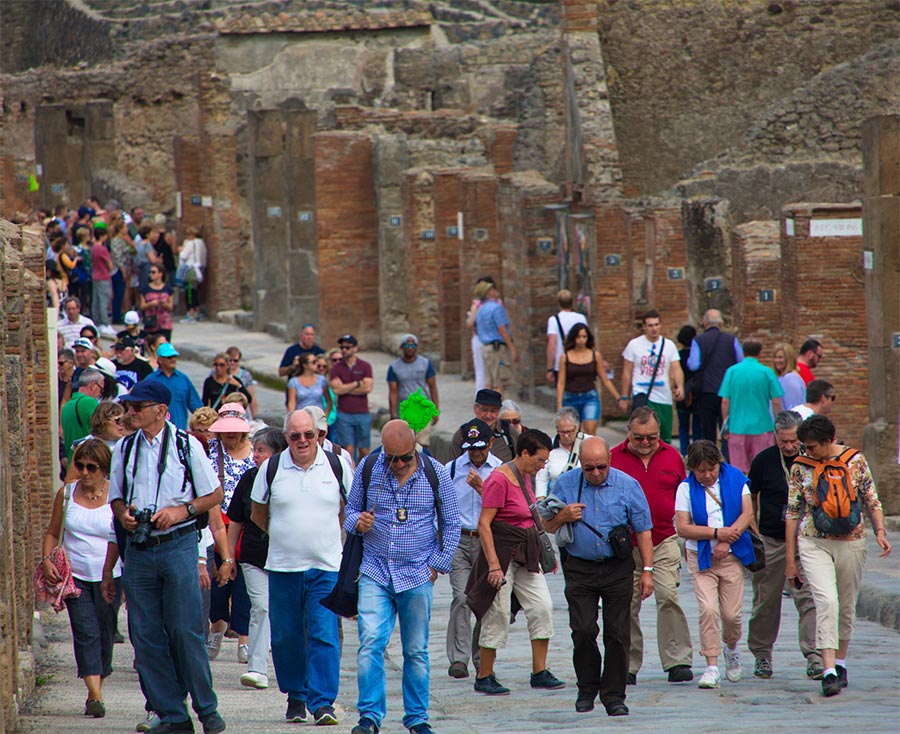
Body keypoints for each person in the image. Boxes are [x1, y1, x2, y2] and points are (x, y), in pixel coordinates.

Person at [105, 381, 226, 734]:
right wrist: (124, 513)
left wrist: (181, 511)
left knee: (186, 632)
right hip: (140, 550)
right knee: (145, 636)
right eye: (129, 406)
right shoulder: (125, 448)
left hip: (178, 544)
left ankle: (207, 711)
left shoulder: (187, 445)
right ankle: (171, 713)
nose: (130, 412)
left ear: (159, 409)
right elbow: (115, 497)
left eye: (137, 406)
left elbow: (214, 493)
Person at [343, 420, 461, 734]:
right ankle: (369, 717)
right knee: (370, 643)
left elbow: (451, 523)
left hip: (417, 573)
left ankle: (417, 719)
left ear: (415, 449)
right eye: (391, 458)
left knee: (416, 651)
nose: (397, 464)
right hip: (375, 570)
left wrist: (436, 565)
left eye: (404, 458)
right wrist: (358, 522)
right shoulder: (370, 467)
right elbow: (350, 511)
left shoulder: (434, 473)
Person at [250, 410, 351, 725]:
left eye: (309, 434)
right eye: (295, 436)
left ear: (318, 433)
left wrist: (326, 535)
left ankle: (322, 703)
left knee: (323, 634)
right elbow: (257, 512)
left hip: (326, 566)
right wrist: (284, 536)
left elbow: (349, 507)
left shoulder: (336, 466)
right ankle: (296, 696)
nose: (303, 441)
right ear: (286, 438)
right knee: (286, 636)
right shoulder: (272, 468)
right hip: (283, 567)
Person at [543, 437, 654, 715]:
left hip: (617, 567)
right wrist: (563, 516)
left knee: (617, 633)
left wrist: (648, 571)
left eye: (600, 467)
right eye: (589, 468)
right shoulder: (566, 483)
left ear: (610, 461)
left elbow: (643, 530)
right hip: (580, 567)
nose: (595, 473)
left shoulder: (627, 485)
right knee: (582, 630)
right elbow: (547, 524)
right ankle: (587, 687)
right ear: (581, 463)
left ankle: (614, 694)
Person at [785, 415, 891, 697]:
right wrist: (790, 559)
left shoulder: (855, 460)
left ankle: (841, 662)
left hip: (852, 540)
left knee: (846, 605)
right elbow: (793, 511)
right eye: (803, 446)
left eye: (812, 447)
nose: (807, 452)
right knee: (826, 601)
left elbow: (872, 498)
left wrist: (879, 530)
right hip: (813, 540)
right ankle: (828, 669)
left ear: (828, 441)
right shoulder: (800, 466)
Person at [467, 429, 564, 698]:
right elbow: (484, 525)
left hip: (525, 553)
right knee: (497, 612)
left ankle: (539, 671)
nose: (543, 465)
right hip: (502, 553)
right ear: (524, 453)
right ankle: (484, 675)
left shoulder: (526, 475)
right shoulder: (500, 479)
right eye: (541, 460)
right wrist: (494, 567)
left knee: (542, 605)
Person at [610, 407, 694, 685]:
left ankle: (677, 660)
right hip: (628, 546)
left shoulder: (672, 456)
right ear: (628, 433)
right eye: (639, 438)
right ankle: (628, 664)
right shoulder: (612, 459)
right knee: (627, 603)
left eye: (652, 437)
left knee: (668, 596)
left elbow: (684, 494)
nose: (645, 443)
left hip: (664, 539)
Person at [41, 439, 122, 719]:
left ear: (104, 469)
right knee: (85, 632)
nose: (85, 472)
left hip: (110, 575)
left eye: (92, 467)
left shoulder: (117, 497)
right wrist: (48, 558)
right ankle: (95, 694)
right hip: (75, 577)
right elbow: (52, 532)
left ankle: (97, 681)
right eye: (80, 466)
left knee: (105, 632)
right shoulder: (66, 495)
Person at [747, 411, 824, 680]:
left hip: (806, 540)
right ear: (775, 438)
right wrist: (753, 525)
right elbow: (751, 495)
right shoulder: (763, 461)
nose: (789, 446)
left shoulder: (812, 460)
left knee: (809, 599)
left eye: (793, 440)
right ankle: (762, 655)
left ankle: (814, 655)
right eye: (784, 441)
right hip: (772, 539)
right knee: (765, 601)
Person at [675, 440, 756, 690]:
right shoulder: (685, 489)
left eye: (711, 468)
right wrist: (715, 534)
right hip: (701, 558)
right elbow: (683, 527)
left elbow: (747, 514)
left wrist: (727, 540)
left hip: (732, 557)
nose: (707, 474)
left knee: (731, 614)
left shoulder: (735, 479)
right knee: (708, 610)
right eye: (701, 470)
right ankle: (711, 665)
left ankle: (731, 647)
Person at [226, 427, 288, 691]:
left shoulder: (289, 479)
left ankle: (290, 668)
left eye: (261, 451)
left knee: (287, 613)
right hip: (253, 555)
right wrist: (228, 559)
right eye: (255, 450)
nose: (255, 456)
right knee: (261, 606)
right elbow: (236, 521)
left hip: (288, 555)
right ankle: (257, 667)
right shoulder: (248, 479)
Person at [444, 419, 503, 680]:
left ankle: (482, 657)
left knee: (484, 600)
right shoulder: (452, 469)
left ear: (490, 443)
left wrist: (483, 489)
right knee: (461, 597)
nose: (476, 453)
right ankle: (459, 658)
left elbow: (506, 509)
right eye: (471, 448)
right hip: (459, 538)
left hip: (487, 540)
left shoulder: (501, 471)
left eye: (480, 447)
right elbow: (441, 505)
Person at [206, 404, 255, 664]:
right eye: (226, 431)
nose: (231, 436)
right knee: (218, 582)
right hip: (217, 524)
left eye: (235, 431)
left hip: (246, 526)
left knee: (245, 585)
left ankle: (244, 639)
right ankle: (217, 628)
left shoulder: (254, 454)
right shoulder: (210, 453)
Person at [719, 340, 783, 473]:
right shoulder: (767, 372)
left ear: (743, 353)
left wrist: (726, 422)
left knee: (738, 470)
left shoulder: (732, 371)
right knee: (763, 469)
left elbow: (725, 401)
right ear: (760, 353)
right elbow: (776, 401)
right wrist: (778, 424)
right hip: (762, 427)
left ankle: (742, 493)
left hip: (737, 427)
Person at [620, 309, 684, 443]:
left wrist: (680, 386)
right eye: (650, 325)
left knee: (664, 436)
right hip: (642, 394)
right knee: (642, 435)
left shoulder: (669, 345)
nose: (654, 328)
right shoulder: (634, 345)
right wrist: (624, 397)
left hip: (663, 396)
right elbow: (627, 372)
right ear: (644, 327)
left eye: (656, 324)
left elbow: (676, 368)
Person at [686, 309, 743, 444]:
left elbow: (693, 365)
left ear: (704, 322)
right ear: (721, 323)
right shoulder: (732, 340)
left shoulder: (698, 340)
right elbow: (740, 362)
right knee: (727, 427)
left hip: (706, 391)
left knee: (707, 430)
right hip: (728, 392)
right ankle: (727, 458)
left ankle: (710, 458)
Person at [556, 322, 621, 437]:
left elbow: (605, 379)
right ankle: (577, 454)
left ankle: (589, 454)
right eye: (578, 337)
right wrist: (559, 403)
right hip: (570, 398)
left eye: (584, 337)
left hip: (590, 397)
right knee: (573, 433)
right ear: (573, 338)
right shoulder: (565, 357)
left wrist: (619, 398)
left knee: (590, 431)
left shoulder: (595, 355)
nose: (581, 340)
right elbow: (561, 383)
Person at [387, 333, 439, 446]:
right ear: (401, 347)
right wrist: (393, 413)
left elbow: (432, 387)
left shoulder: (425, 364)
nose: (410, 348)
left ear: (417, 347)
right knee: (405, 444)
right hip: (404, 411)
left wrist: (435, 411)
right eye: (407, 346)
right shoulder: (394, 367)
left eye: (413, 346)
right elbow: (393, 391)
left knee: (422, 444)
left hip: (422, 410)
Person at [329, 334, 374, 463]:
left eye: (348, 347)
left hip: (362, 413)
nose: (344, 350)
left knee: (364, 450)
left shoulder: (365, 366)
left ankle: (361, 471)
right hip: (344, 413)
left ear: (355, 349)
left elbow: (367, 388)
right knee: (348, 450)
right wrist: (357, 383)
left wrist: (345, 388)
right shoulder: (337, 368)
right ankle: (351, 476)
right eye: (342, 347)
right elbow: (336, 390)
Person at [144, 343, 203, 430]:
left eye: (174, 356)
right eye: (169, 357)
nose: (173, 359)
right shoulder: (150, 380)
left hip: (179, 431)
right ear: (160, 359)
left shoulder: (183, 379)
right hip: (156, 432)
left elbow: (196, 407)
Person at [447, 389, 516, 463]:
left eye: (493, 411)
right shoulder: (463, 433)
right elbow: (452, 465)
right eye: (484, 410)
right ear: (475, 409)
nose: (488, 415)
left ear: (499, 411)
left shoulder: (508, 430)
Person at [474, 281, 518, 394]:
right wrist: (512, 348)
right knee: (500, 382)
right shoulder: (496, 308)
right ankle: (498, 409)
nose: (495, 290)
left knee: (488, 381)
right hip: (497, 348)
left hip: (486, 348)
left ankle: (487, 408)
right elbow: (502, 329)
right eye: (492, 289)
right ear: (489, 293)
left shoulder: (480, 310)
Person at [534, 407, 583, 499]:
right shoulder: (548, 448)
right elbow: (541, 479)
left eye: (570, 431)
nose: (566, 436)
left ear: (577, 428)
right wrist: (541, 502)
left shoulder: (589, 442)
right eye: (562, 432)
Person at [545, 289, 587, 385]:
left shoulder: (554, 320)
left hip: (561, 364)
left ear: (558, 303)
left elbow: (552, 345)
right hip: (581, 361)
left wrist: (549, 368)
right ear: (572, 302)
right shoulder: (581, 318)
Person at [61, 368, 103, 463]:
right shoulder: (90, 402)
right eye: (101, 388)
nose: (101, 393)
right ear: (92, 385)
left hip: (72, 463)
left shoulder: (67, 406)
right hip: (89, 463)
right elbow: (103, 428)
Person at [675, 324, 702, 455]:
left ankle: (685, 452)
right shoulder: (697, 356)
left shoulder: (678, 356)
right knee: (697, 426)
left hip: (682, 394)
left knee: (683, 426)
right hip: (696, 394)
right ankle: (696, 452)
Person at [465, 279, 494, 391]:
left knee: (481, 370)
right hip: (490, 339)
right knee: (489, 370)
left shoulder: (477, 305)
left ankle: (481, 394)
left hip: (479, 338)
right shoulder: (494, 304)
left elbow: (470, 323)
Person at [139, 264, 174, 342]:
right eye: (150, 272)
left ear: (160, 274)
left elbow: (171, 307)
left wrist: (165, 304)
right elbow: (142, 306)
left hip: (165, 323)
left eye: (153, 272)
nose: (151, 274)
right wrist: (151, 304)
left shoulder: (168, 289)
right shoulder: (145, 289)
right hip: (151, 322)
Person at [178, 226, 206, 323]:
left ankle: (191, 314)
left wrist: (181, 249)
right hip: (199, 269)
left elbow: (183, 256)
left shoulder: (190, 243)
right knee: (195, 292)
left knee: (189, 292)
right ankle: (198, 312)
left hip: (191, 270)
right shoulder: (201, 243)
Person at [90, 226, 115, 335]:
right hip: (104, 276)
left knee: (96, 300)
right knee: (104, 300)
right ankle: (105, 323)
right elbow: (109, 264)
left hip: (95, 275)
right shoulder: (102, 249)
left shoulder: (93, 248)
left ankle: (97, 321)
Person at [225, 346, 259, 418]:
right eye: (230, 360)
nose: (232, 363)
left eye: (235, 360)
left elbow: (252, 398)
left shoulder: (245, 375)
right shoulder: (218, 373)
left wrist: (255, 418)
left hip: (241, 414)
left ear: (239, 360)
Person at [772, 342, 806, 411]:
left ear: (789, 359)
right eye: (775, 357)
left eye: (780, 357)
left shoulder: (790, 378)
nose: (777, 360)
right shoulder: (781, 377)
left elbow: (794, 407)